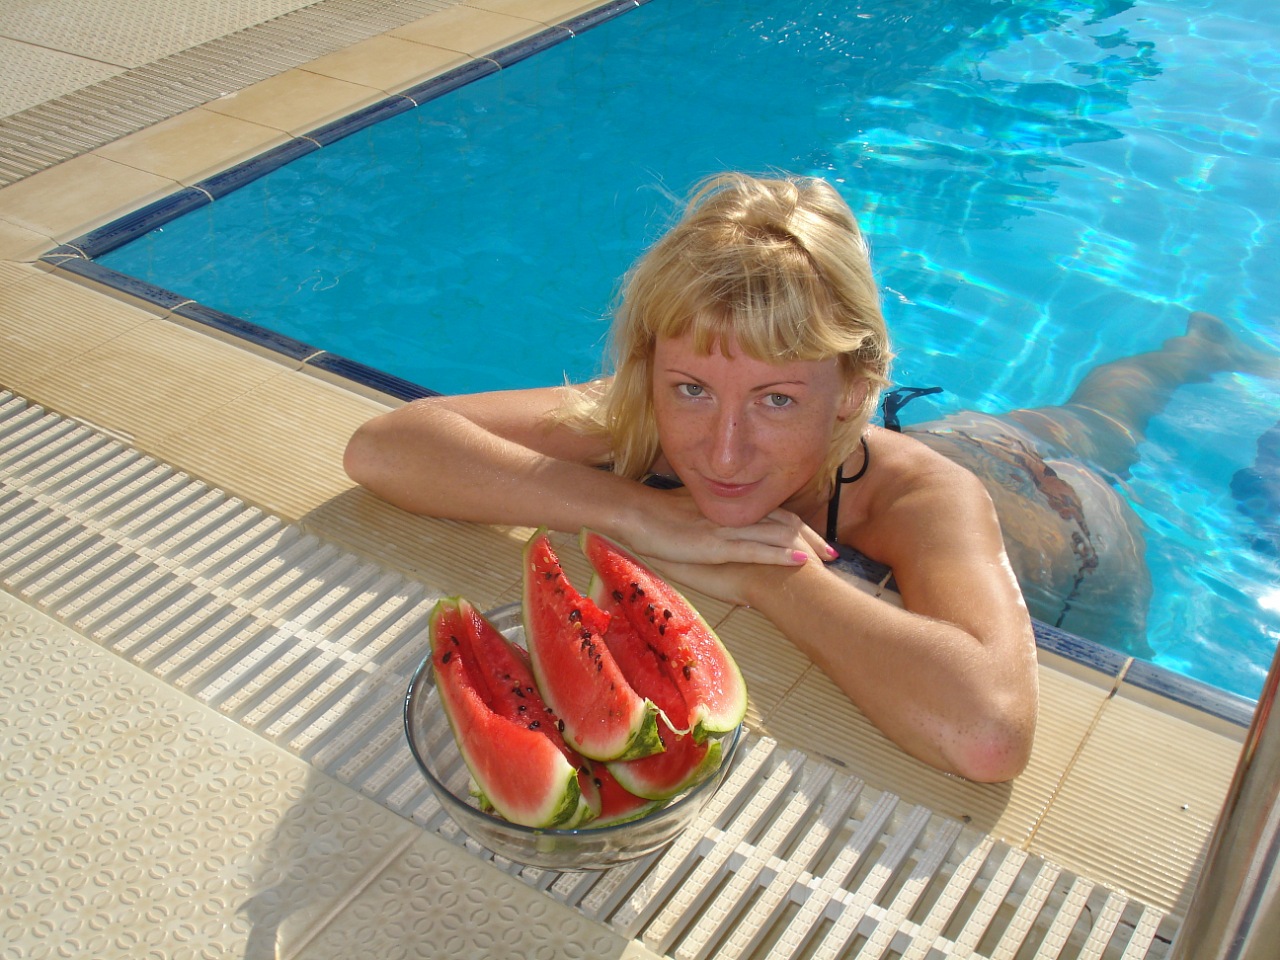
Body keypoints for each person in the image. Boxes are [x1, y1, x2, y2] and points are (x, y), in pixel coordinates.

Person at [345, 172, 1277, 781]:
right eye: (691, 389)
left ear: (853, 392)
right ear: (652, 369)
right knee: (1090, 409)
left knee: (1106, 431)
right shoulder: (652, 414)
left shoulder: (919, 497)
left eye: (777, 400)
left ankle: (1190, 358)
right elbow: (385, 446)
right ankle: (1195, 348)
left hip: (1074, 530)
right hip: (965, 433)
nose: (723, 451)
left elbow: (991, 732)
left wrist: (764, 573)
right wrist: (637, 510)